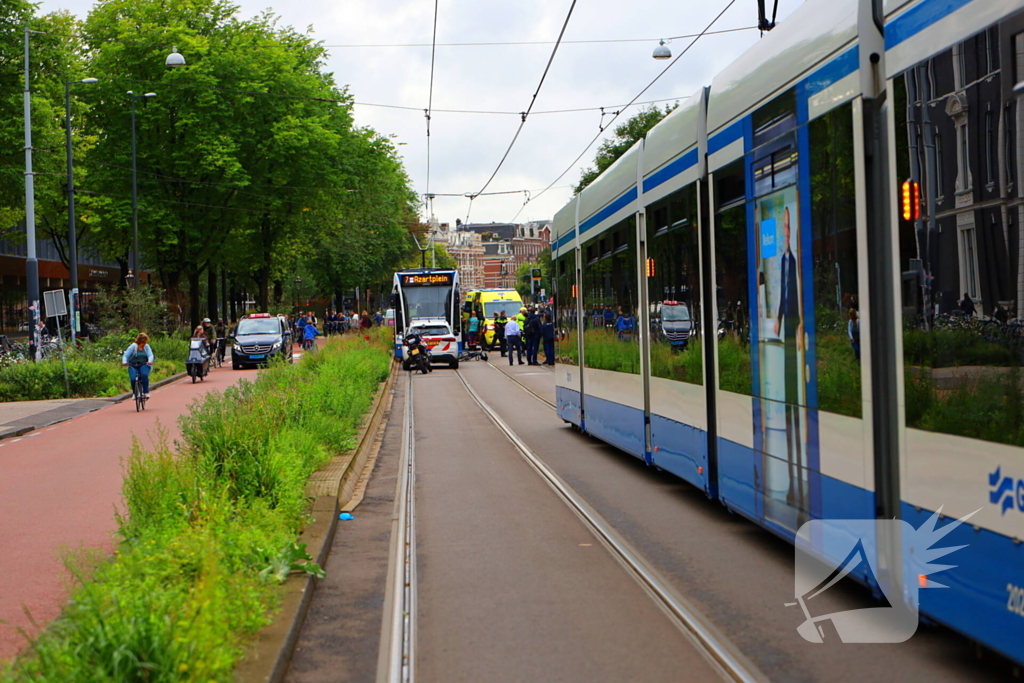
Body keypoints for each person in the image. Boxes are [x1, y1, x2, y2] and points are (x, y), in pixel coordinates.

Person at [772, 207, 804, 511]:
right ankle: (789, 407)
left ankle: (794, 408)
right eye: (782, 228)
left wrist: (791, 323)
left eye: (787, 228)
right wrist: (779, 319)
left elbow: (794, 293)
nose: (785, 232)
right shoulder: (783, 259)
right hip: (787, 322)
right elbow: (783, 295)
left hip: (796, 324)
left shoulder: (792, 260)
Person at [122, 332, 154, 398]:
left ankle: (145, 392)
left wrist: (150, 361)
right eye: (142, 341)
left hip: (144, 364)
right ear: (139, 340)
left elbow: (150, 355)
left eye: (145, 341)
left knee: (144, 375)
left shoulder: (146, 347)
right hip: (133, 365)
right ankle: (135, 393)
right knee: (133, 379)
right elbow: (126, 355)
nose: (143, 343)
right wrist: (124, 362)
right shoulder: (133, 346)